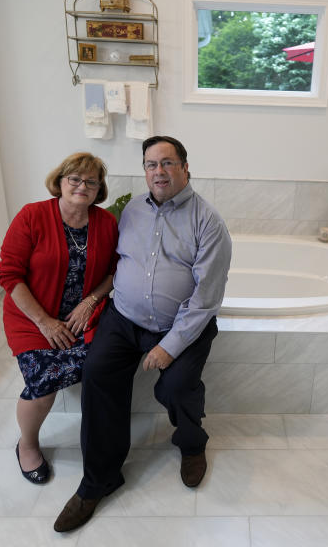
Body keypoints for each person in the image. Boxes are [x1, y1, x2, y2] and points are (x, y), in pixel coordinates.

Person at [54, 136, 231, 532]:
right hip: (125, 317)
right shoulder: (133, 209)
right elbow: (117, 264)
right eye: (151, 164)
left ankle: (191, 443)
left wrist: (169, 347)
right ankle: (99, 480)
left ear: (186, 169)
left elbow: (205, 301)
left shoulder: (208, 221)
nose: (159, 171)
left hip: (181, 324)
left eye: (168, 163)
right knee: (98, 375)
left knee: (176, 386)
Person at [0, 152, 118, 485]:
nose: (82, 186)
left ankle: (101, 439)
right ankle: (28, 443)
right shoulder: (32, 216)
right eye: (75, 179)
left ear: (99, 190)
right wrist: (44, 322)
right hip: (32, 318)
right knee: (45, 382)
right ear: (60, 182)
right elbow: (9, 275)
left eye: (91, 181)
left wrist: (91, 301)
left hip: (86, 318)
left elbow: (116, 270)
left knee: (108, 359)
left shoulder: (106, 223)